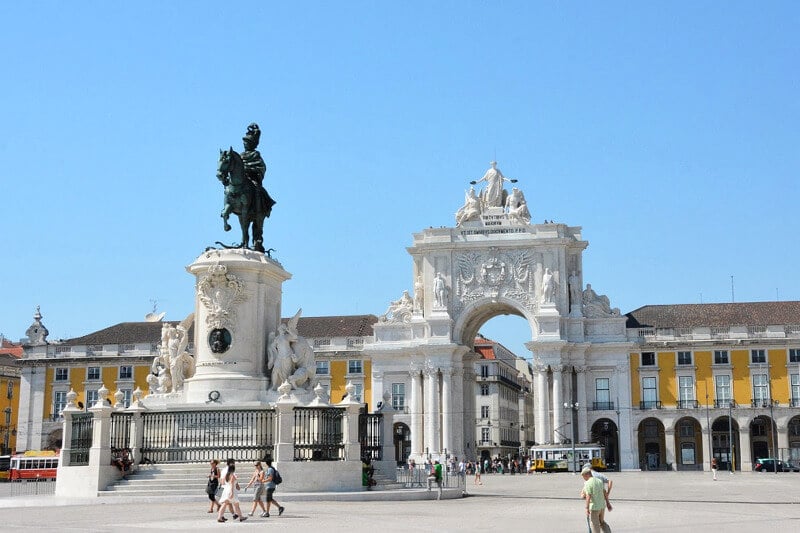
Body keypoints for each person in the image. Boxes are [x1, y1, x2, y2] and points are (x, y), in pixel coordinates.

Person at [580, 465, 611, 533]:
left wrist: (586, 508)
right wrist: (608, 503)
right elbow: (604, 492)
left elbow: (588, 496)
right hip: (602, 506)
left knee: (595, 525)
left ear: (587, 475)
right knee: (602, 522)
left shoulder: (588, 483)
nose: (583, 478)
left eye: (583, 476)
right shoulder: (599, 481)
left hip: (594, 508)